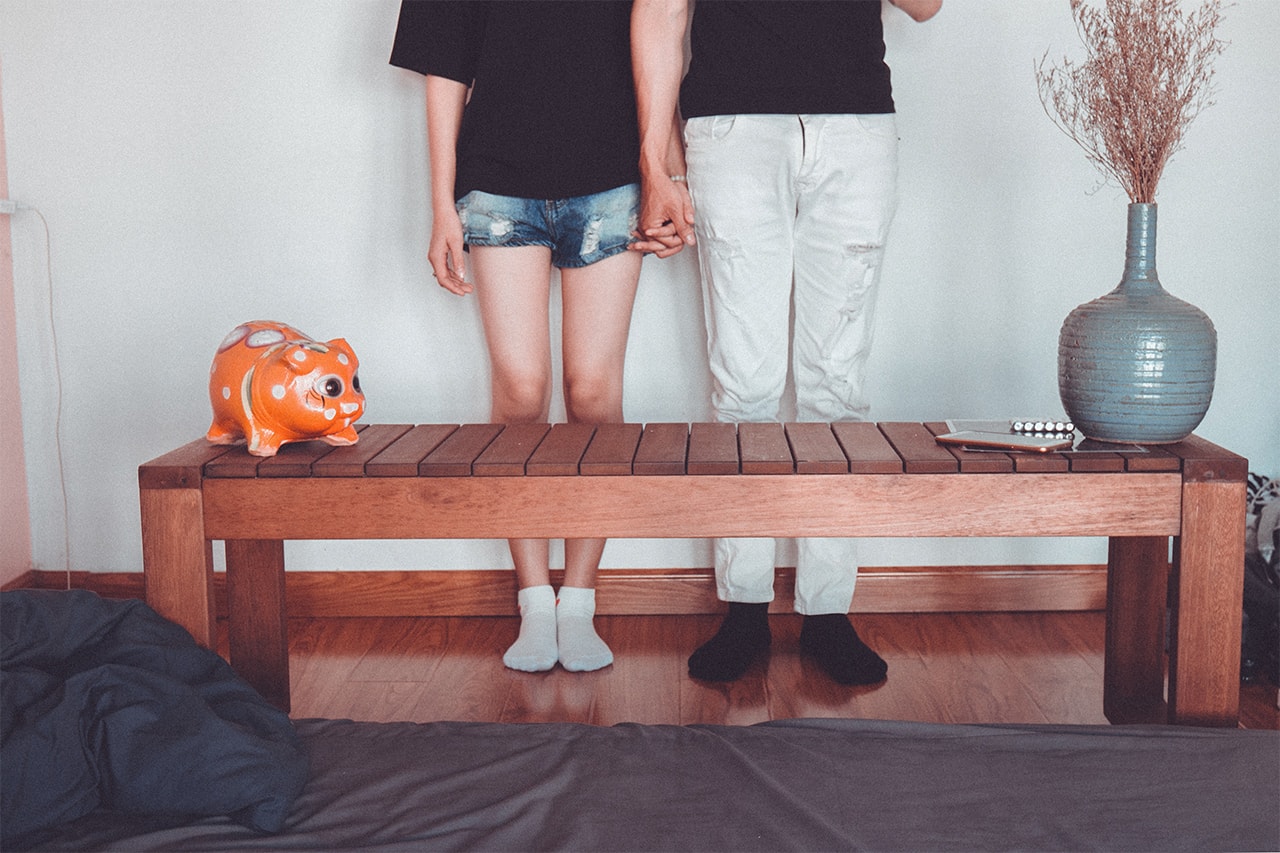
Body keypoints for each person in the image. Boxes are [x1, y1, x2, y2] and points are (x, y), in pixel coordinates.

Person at [631, 0, 943, 684]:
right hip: (732, 128)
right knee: (744, 384)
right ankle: (745, 604)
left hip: (856, 127)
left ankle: (827, 610)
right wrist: (655, 161)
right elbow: (660, 10)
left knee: (837, 383)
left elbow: (926, 6)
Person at [390, 0, 646, 673]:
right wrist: (440, 203)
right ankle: (535, 597)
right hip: (498, 180)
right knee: (521, 391)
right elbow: (442, 67)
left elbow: (662, 36)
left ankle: (580, 599)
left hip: (613, 175)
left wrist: (666, 170)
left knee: (593, 392)